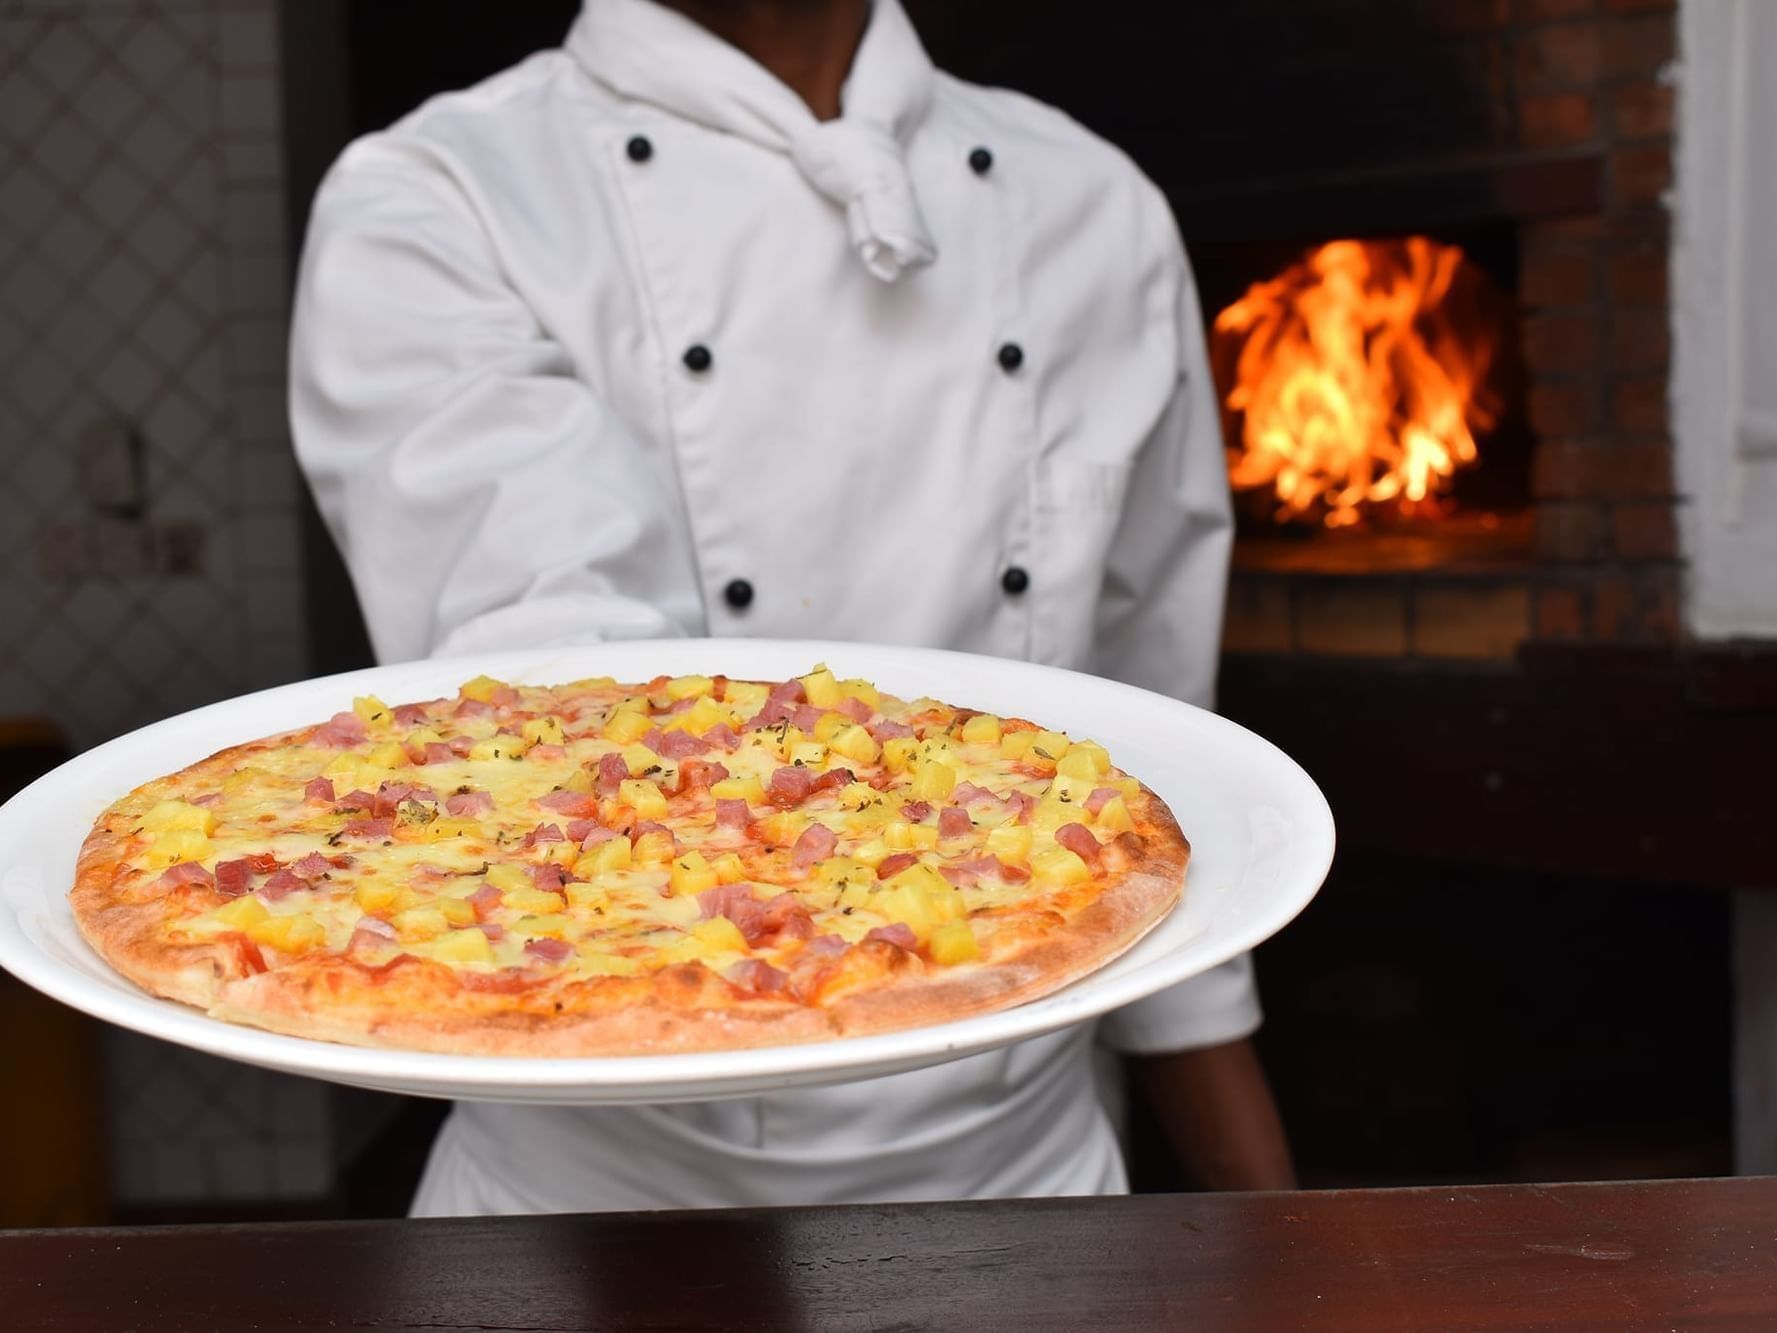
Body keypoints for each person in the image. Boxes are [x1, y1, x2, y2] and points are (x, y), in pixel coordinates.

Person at [290, 0, 1296, 1212]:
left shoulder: (1092, 204)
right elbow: (557, 715)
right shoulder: (442, 194)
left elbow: (1156, 746)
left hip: (1035, 1197)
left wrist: (1271, 1229)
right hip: (597, 1218)